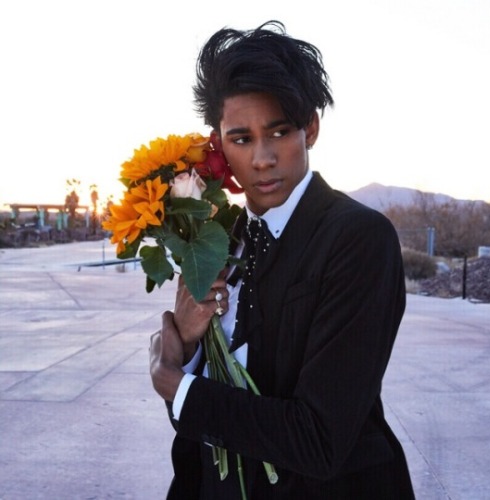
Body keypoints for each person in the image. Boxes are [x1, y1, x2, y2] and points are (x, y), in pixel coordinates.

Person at [150, 20, 415, 499]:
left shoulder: (359, 240)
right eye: (242, 138)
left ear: (310, 128)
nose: (263, 158)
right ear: (218, 142)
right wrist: (187, 348)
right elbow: (202, 418)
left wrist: (176, 384)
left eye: (279, 131)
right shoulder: (217, 239)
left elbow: (319, 439)